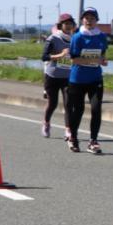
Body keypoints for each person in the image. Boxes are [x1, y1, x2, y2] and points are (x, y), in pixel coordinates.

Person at [66, 7, 109, 154]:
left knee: (96, 109)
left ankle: (93, 141)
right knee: (78, 110)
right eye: (86, 18)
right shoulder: (77, 37)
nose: (89, 21)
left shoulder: (101, 36)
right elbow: (74, 59)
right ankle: (73, 138)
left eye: (92, 18)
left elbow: (102, 55)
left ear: (97, 20)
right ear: (82, 20)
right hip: (78, 79)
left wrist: (103, 60)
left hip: (95, 78)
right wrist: (94, 60)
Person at [40, 12, 75, 140]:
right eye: (66, 24)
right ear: (60, 25)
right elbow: (44, 57)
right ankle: (46, 123)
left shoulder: (75, 39)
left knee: (68, 104)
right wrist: (60, 55)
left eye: (70, 24)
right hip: (52, 76)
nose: (68, 26)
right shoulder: (53, 38)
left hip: (67, 77)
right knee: (53, 104)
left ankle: (68, 130)